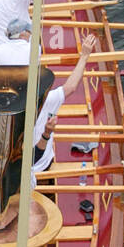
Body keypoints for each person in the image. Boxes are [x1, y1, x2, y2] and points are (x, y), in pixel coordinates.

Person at [33, 36, 98, 178]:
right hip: (41, 164)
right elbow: (71, 87)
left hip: (20, 169)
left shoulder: (10, 108)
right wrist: (85, 56)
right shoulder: (47, 99)